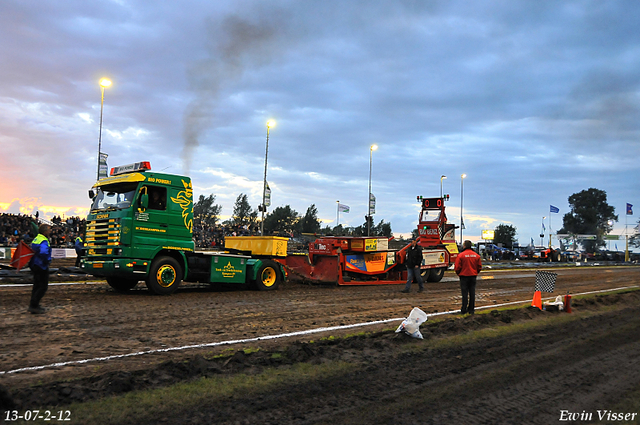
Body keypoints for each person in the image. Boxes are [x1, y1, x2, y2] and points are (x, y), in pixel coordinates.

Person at [454, 240, 482, 315]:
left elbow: (457, 267)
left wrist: (459, 273)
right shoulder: (476, 255)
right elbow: (479, 267)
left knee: (464, 293)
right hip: (473, 276)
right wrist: (475, 272)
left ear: (464, 246)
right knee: (472, 293)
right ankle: (471, 309)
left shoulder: (461, 255)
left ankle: (464, 309)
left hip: (464, 276)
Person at [29, 224, 52, 314]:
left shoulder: (37, 238)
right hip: (41, 265)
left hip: (34, 264)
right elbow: (43, 252)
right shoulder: (44, 240)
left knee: (36, 286)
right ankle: (34, 306)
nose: (50, 231)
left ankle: (33, 304)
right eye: (49, 229)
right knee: (43, 286)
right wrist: (48, 260)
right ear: (45, 231)